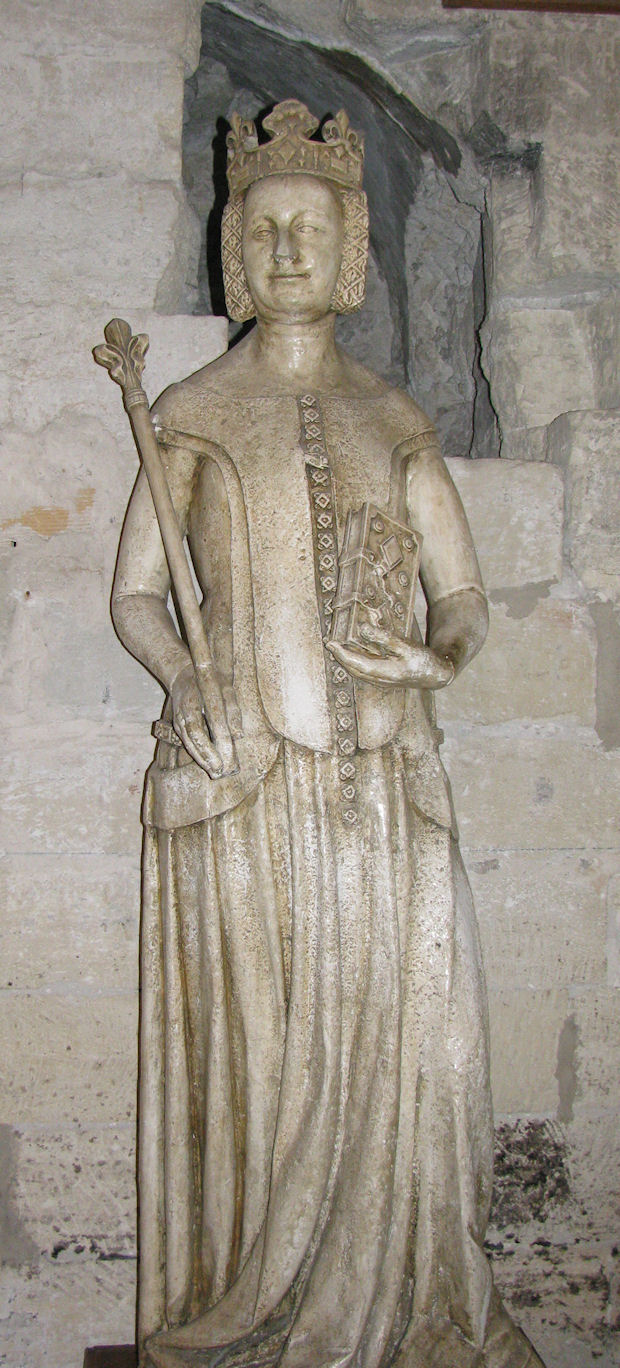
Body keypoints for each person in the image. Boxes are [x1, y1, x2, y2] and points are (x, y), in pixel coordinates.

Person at [112, 99, 545, 1368]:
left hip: (383, 781)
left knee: (411, 1048)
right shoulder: (189, 410)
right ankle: (261, 1303)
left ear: (350, 246)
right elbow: (136, 594)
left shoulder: (393, 418)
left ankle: (403, 1305)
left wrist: (435, 658)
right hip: (245, 783)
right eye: (264, 229)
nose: (287, 249)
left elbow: (460, 597)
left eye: (309, 227)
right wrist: (183, 678)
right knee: (260, 1070)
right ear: (234, 253)